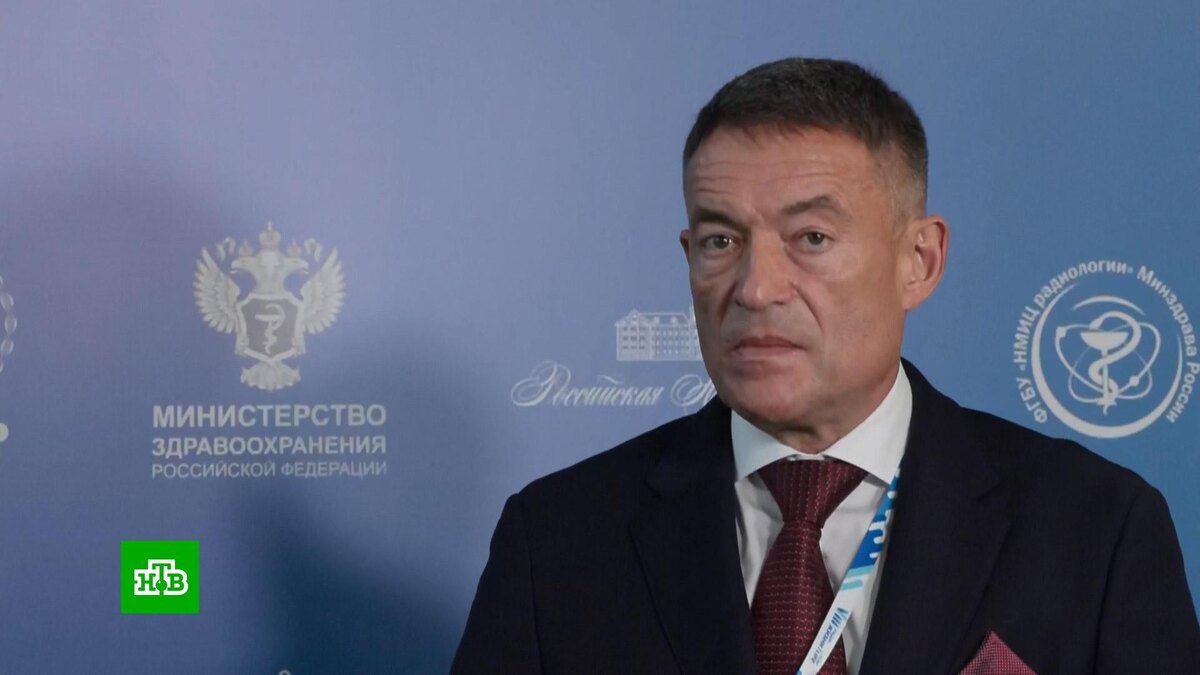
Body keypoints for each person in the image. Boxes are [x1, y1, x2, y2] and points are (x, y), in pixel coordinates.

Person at [451, 58, 1200, 674]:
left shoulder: (1096, 529)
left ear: (919, 260)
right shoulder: (556, 541)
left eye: (810, 237)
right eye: (720, 241)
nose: (755, 288)